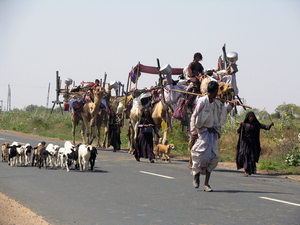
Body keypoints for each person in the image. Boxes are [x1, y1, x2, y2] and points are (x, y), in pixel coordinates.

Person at [190, 81, 238, 191]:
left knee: (213, 158)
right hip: (203, 133)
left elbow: (224, 111)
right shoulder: (202, 101)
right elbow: (194, 116)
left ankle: (206, 184)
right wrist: (193, 131)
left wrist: (231, 104)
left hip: (213, 134)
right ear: (215, 91)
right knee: (199, 155)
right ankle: (196, 175)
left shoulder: (217, 103)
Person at [236, 112, 274, 177]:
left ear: (254, 117)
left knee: (252, 156)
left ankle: (250, 170)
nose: (251, 117)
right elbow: (239, 131)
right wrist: (240, 126)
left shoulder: (256, 124)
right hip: (245, 142)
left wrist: (270, 125)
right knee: (246, 156)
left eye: (252, 116)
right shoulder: (244, 124)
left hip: (253, 142)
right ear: (247, 117)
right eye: (250, 116)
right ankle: (246, 171)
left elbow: (265, 127)